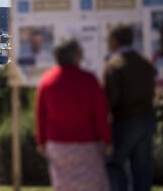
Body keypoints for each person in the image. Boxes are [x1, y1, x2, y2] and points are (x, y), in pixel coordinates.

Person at [36, 39, 111, 191]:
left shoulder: (47, 81)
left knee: (64, 185)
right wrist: (107, 140)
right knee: (93, 185)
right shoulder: (89, 79)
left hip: (57, 144)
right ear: (77, 55)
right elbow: (101, 114)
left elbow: (40, 115)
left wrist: (42, 142)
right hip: (87, 144)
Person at [104, 25, 156, 191]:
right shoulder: (146, 63)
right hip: (147, 121)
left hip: (125, 122)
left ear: (115, 41)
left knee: (115, 164)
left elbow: (111, 99)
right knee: (141, 168)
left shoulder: (114, 65)